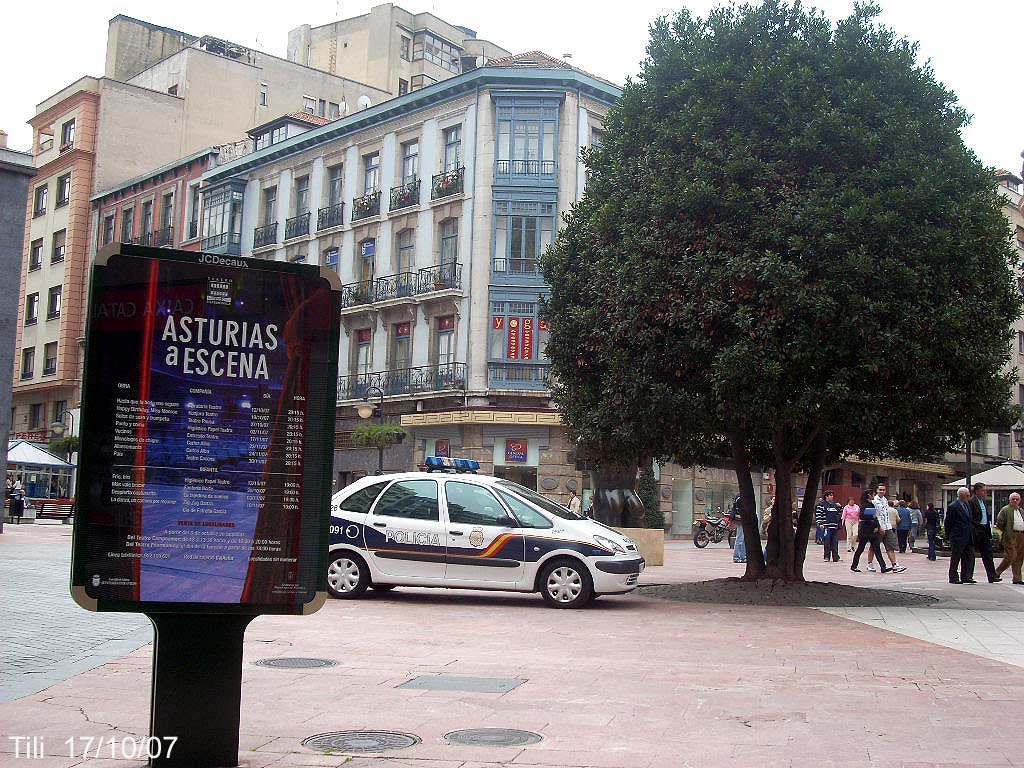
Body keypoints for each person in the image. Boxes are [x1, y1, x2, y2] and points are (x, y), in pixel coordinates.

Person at [867, 484, 905, 572]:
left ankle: (894, 565)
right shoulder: (874, 501)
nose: (882, 491)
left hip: (888, 526)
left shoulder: (885, 500)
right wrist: (877, 526)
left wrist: (889, 526)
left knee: (890, 546)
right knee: (874, 546)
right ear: (877, 490)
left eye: (883, 490)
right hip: (879, 527)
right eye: (880, 489)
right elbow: (872, 516)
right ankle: (869, 564)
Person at [851, 488, 890, 573]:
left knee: (877, 549)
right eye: (873, 494)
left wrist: (877, 526)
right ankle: (854, 566)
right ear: (869, 495)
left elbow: (875, 517)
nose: (873, 496)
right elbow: (863, 516)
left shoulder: (871, 504)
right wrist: (871, 517)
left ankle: (883, 567)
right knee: (860, 548)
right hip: (865, 530)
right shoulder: (864, 505)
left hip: (872, 530)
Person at [968, 482, 1000, 583]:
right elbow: (970, 517)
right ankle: (968, 576)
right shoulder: (971, 501)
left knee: (988, 554)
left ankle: (992, 576)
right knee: (971, 554)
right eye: (983, 491)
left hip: (985, 530)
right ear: (977, 491)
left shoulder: (984, 501)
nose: (985, 492)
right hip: (976, 530)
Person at [946, 487, 976, 583]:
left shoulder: (967, 505)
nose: (969, 497)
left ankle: (966, 576)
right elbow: (948, 523)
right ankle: (953, 577)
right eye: (967, 495)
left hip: (968, 536)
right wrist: (948, 536)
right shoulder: (953, 507)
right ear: (961, 495)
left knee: (968, 557)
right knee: (956, 558)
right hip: (958, 536)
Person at [995, 492, 1024, 584]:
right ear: (1009, 500)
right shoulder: (1005, 510)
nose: (1015, 501)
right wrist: (1001, 534)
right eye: (1013, 499)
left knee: (1019, 558)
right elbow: (999, 523)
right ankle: (996, 572)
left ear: (1020, 500)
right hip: (1010, 535)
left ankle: (1017, 578)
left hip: (1021, 535)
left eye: (1017, 499)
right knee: (1011, 556)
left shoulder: (1021, 511)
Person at [815, 491, 842, 562]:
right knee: (827, 542)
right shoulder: (821, 505)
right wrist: (820, 523)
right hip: (826, 527)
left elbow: (839, 513)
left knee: (835, 542)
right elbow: (818, 514)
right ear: (826, 496)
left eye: (832, 495)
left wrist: (840, 507)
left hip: (834, 526)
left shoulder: (834, 504)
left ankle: (836, 557)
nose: (832, 497)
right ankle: (827, 556)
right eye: (831, 495)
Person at [730, 493, 747, 563]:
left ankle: (742, 557)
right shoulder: (741, 497)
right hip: (741, 519)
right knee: (740, 538)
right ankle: (737, 557)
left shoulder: (740, 496)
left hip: (742, 519)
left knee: (743, 539)